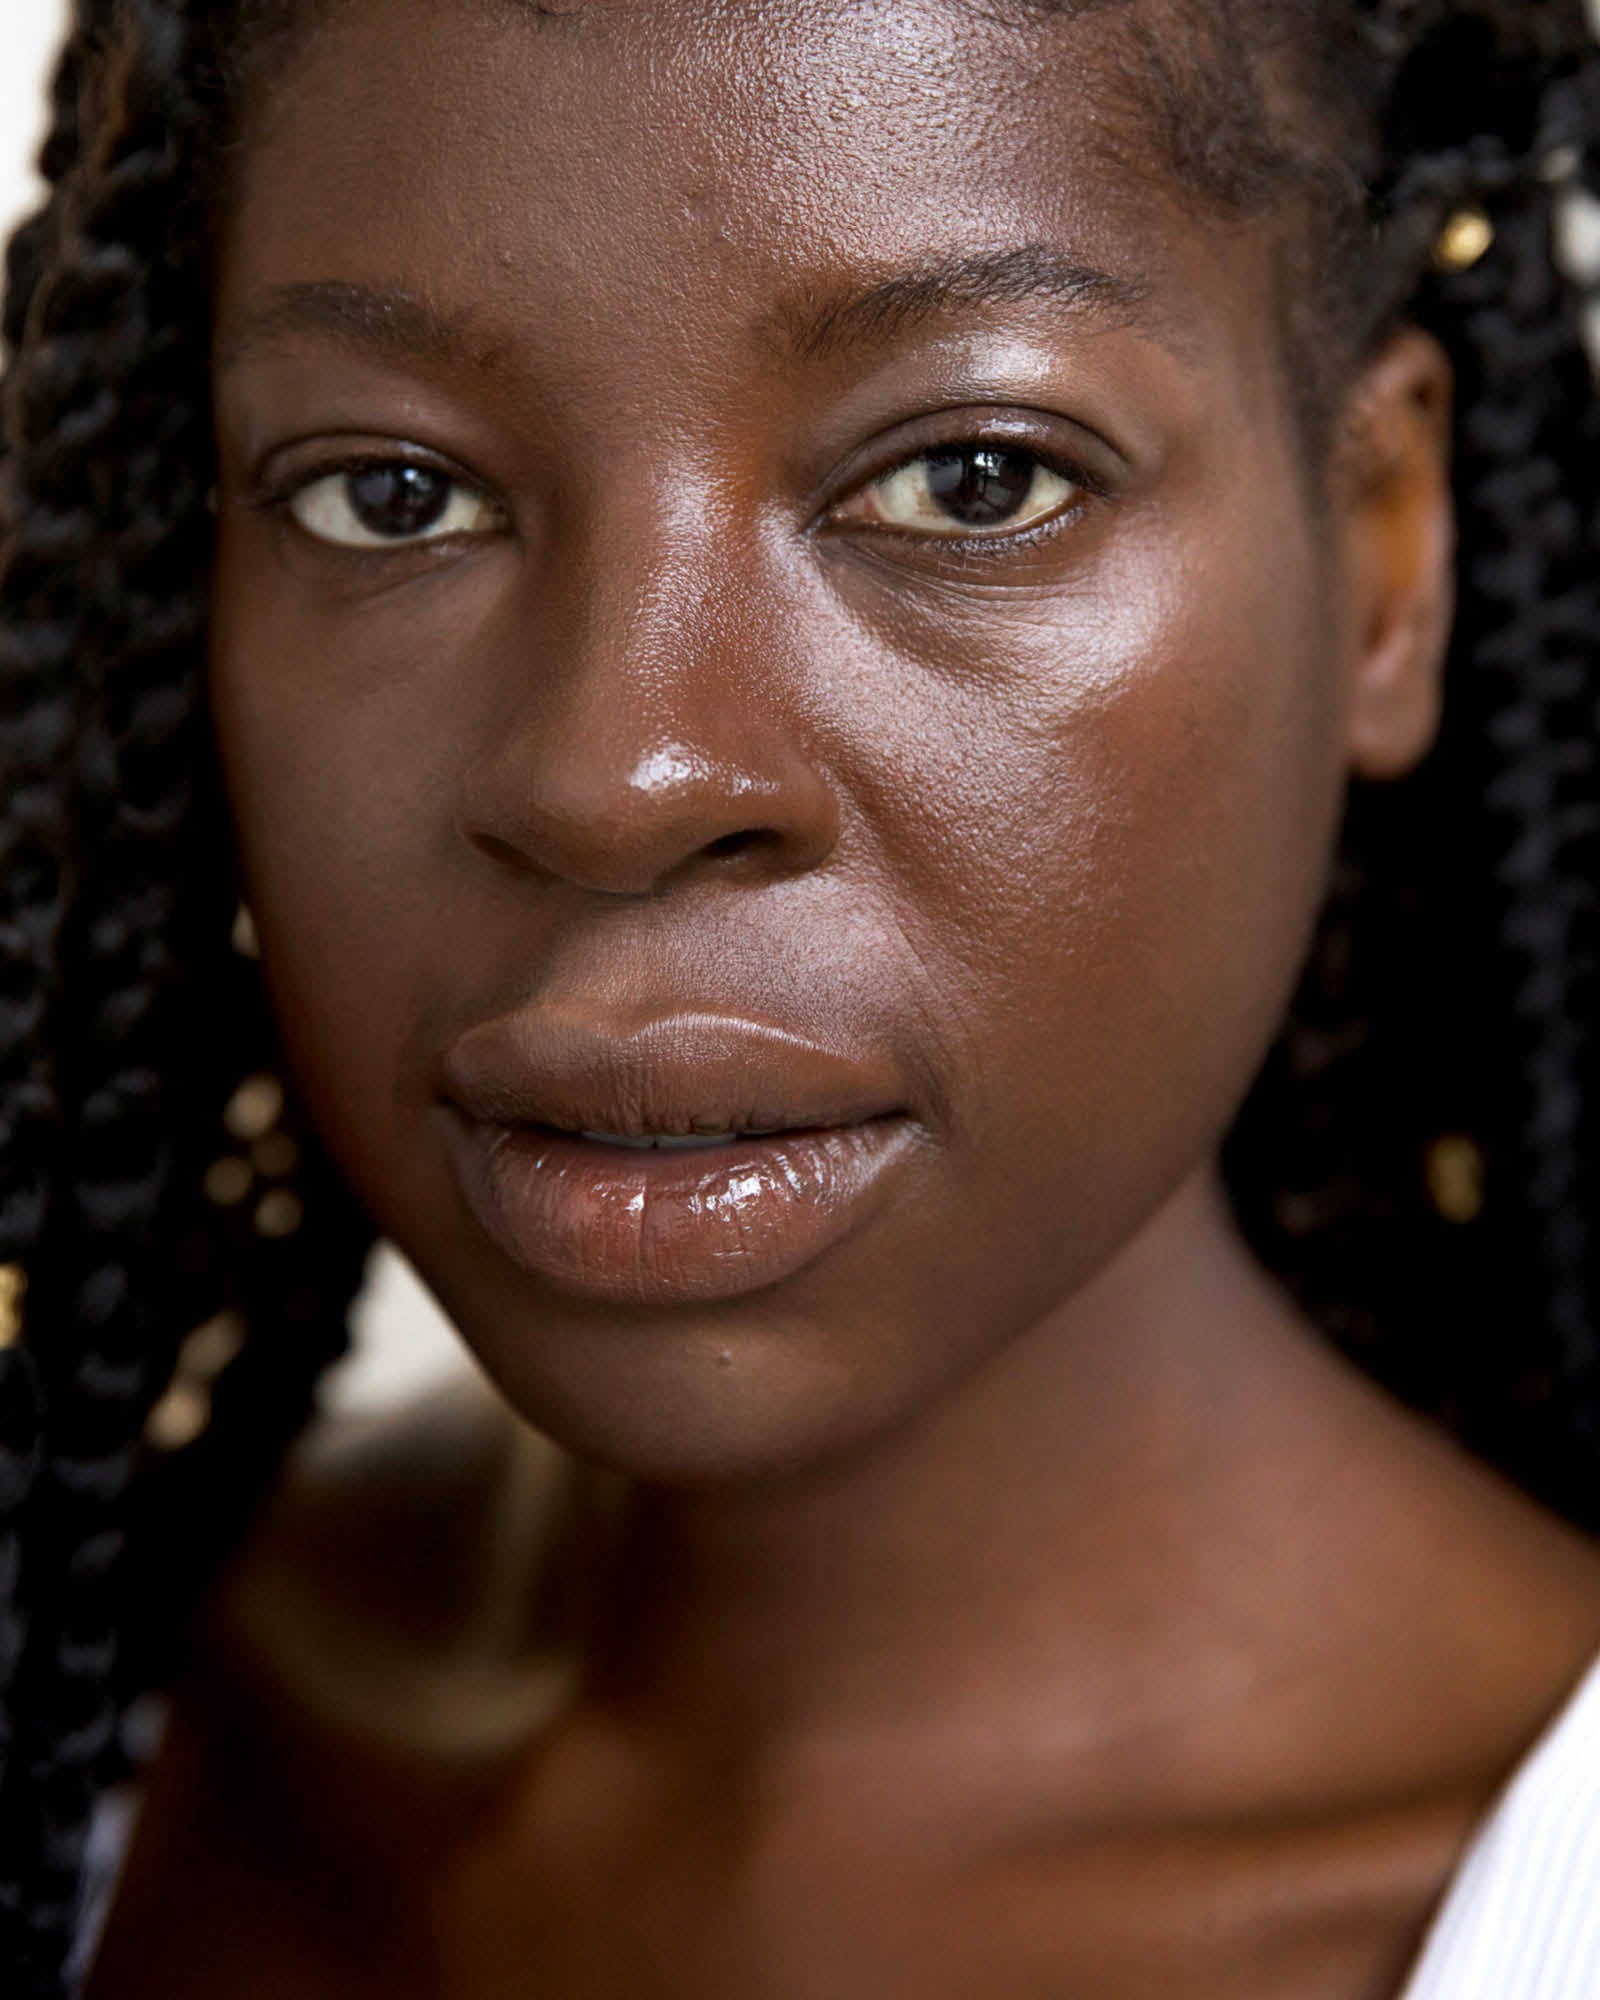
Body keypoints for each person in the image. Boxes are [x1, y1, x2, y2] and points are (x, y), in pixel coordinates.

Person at [2, 0, 1599, 1991]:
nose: (615, 778)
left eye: (968, 478)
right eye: (387, 495)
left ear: (1381, 558)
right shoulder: (90, 1732)